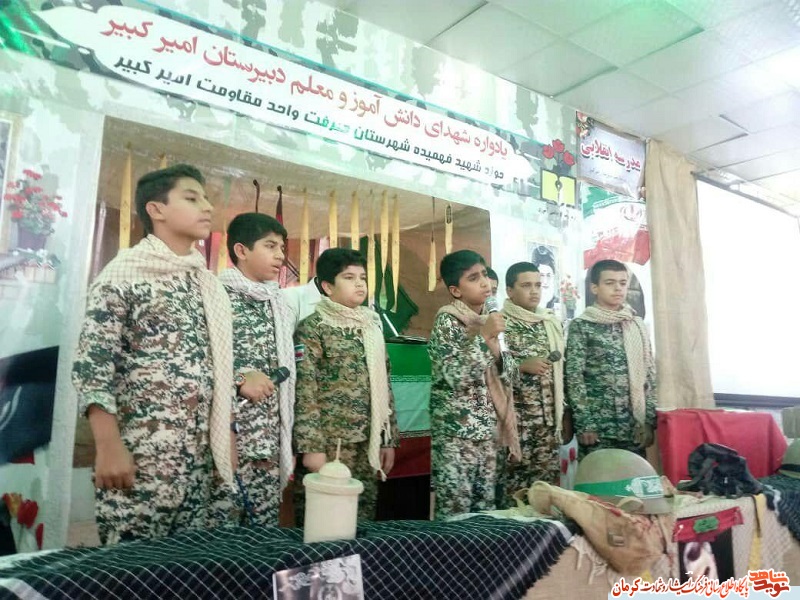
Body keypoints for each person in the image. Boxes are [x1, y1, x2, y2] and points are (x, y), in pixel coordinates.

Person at [72, 164, 236, 545]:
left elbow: (219, 371)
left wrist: (226, 436)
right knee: (134, 569)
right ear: (156, 209)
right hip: (142, 461)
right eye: (192, 198)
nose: (207, 207)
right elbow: (93, 367)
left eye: (206, 198)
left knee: (191, 568)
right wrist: (108, 446)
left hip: (200, 465)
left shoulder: (205, 283)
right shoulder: (123, 276)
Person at [293, 248, 398, 521]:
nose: (359, 284)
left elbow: (384, 385)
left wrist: (387, 440)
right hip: (330, 444)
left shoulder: (372, 326)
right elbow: (304, 389)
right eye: (349, 278)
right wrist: (311, 447)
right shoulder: (313, 327)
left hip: (368, 442)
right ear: (328, 287)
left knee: (360, 520)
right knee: (324, 520)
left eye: (362, 277)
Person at [215, 212, 296, 526]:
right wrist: (239, 379)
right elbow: (200, 362)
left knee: (263, 536)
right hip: (229, 437)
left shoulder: (279, 303)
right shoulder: (216, 297)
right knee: (221, 533)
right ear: (241, 250)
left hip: (269, 442)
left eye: (282, 248)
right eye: (270, 246)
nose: (280, 256)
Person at [428, 250, 519, 520]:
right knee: (455, 515)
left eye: (484, 274)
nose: (485, 283)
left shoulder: (492, 320)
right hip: (457, 436)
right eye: (473, 278)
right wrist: (484, 339)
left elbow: (511, 375)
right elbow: (454, 376)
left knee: (485, 515)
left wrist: (498, 349)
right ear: (456, 291)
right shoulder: (447, 321)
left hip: (489, 433)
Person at [565, 259, 656, 458]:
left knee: (634, 477)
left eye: (622, 283)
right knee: (598, 477)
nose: (618, 288)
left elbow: (648, 375)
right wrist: (585, 423)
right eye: (610, 283)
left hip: (633, 426)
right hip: (598, 428)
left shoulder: (636, 324)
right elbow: (574, 377)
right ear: (594, 288)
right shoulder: (582, 325)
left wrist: (648, 421)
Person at [499, 262, 568, 505]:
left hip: (548, 424)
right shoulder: (499, 324)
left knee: (546, 493)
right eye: (526, 285)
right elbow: (487, 371)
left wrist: (565, 414)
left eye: (538, 285)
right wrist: (520, 366)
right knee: (514, 494)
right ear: (510, 290)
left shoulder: (549, 322)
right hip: (515, 423)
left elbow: (562, 372)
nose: (534, 291)